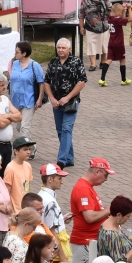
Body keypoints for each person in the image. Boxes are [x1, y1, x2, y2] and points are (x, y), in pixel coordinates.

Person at [69, 158, 113, 263]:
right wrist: (108, 210)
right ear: (97, 172)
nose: (106, 179)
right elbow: (90, 217)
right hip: (84, 242)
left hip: (88, 242)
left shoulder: (88, 187)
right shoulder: (83, 188)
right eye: (106, 175)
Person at [45, 38, 87, 168]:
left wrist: (67, 97)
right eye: (59, 48)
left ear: (69, 49)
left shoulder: (76, 62)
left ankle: (61, 160)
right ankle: (69, 158)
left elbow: (82, 82)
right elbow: (46, 81)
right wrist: (51, 98)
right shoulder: (53, 62)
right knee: (60, 130)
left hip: (71, 102)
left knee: (66, 129)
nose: (61, 50)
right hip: (56, 103)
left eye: (63, 48)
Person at [81, 0, 112, 72]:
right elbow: (81, 14)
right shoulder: (85, 0)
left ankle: (103, 62)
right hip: (91, 27)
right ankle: (93, 64)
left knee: (104, 45)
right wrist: (81, 27)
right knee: (91, 45)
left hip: (104, 27)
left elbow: (111, 9)